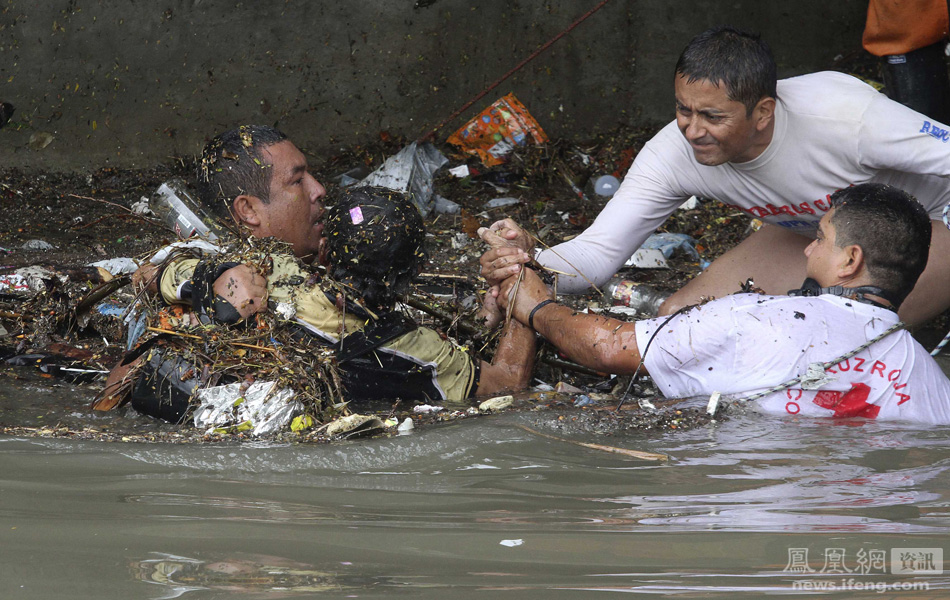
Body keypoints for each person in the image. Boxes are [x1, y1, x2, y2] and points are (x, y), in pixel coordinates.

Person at [480, 26, 950, 327]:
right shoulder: (672, 152)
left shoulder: (843, 115)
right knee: (680, 322)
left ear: (763, 112)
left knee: (832, 338)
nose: (692, 130)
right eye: (684, 110)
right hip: (817, 235)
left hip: (931, 221)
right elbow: (598, 252)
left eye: (712, 117)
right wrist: (529, 263)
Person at [483, 183, 950, 424]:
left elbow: (609, 348)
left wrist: (536, 305)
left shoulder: (760, 318)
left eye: (821, 238)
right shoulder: (934, 385)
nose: (808, 249)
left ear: (851, 260)